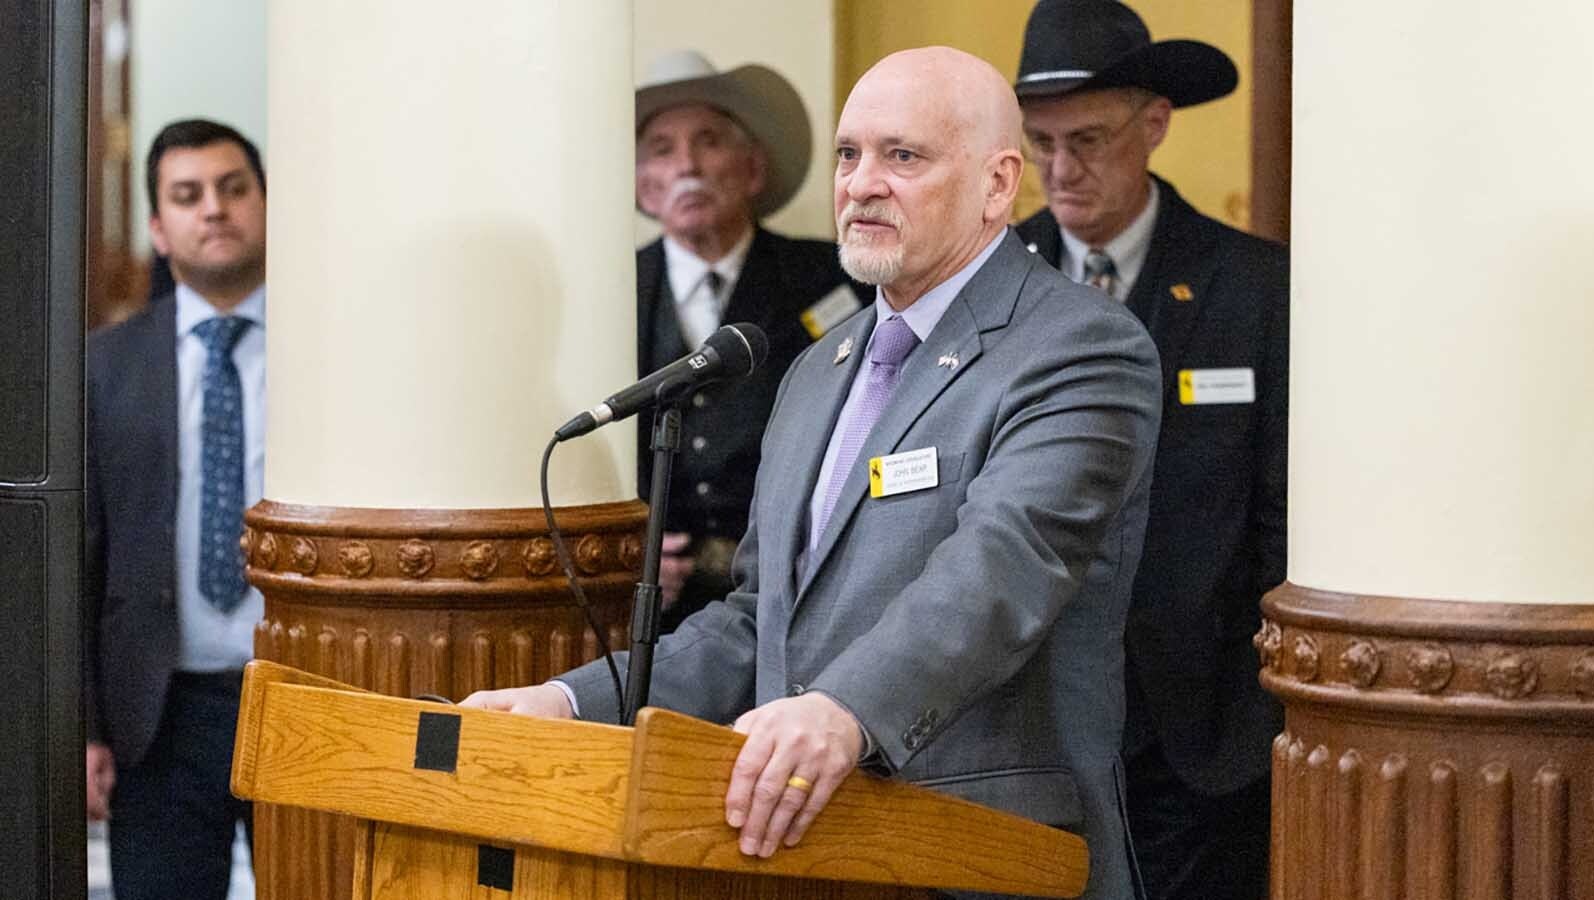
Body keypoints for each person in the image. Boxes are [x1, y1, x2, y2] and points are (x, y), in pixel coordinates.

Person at [466, 47, 1161, 900]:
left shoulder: (1077, 348)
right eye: (848, 154)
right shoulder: (817, 368)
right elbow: (759, 623)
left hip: (984, 852)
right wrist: (571, 705)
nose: (862, 183)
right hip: (804, 851)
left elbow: (999, 572)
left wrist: (845, 713)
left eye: (902, 156)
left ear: (996, 184)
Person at [1012, 2, 1290, 897]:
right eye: (1041, 143)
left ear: (1156, 124)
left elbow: (1283, 512)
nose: (1061, 170)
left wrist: (1258, 705)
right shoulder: (989, 285)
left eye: (1088, 140)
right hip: (1025, 723)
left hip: (1202, 736)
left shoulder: (1254, 287)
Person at [84, 118, 267, 900]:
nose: (214, 211)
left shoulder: (329, 352)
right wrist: (86, 726)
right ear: (159, 228)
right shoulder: (106, 365)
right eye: (187, 197)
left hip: (301, 693)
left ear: (266, 203)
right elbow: (82, 556)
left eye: (233, 189)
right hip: (158, 713)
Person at [632, 50, 870, 632]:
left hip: (800, 599)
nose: (687, 163)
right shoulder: (612, 294)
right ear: (643, 188)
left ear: (753, 168)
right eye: (662, 149)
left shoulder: (833, 279)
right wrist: (625, 554)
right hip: (652, 609)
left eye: (709, 141)